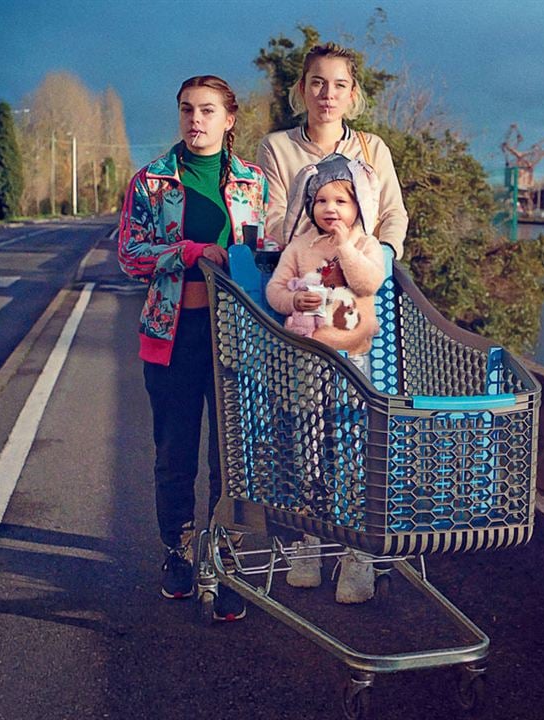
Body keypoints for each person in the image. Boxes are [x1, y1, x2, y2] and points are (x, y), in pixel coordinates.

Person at [117, 75, 268, 622]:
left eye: (208, 110)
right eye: (187, 110)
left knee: (230, 461)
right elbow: (130, 255)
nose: (195, 120)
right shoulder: (152, 181)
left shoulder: (254, 183)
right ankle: (177, 555)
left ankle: (225, 559)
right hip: (173, 336)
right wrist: (187, 250)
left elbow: (268, 251)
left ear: (230, 119)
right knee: (174, 455)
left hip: (238, 341)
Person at [265, 154, 385, 603]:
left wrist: (345, 247)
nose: (330, 208)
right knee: (308, 451)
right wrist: (290, 303)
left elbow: (368, 283)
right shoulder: (298, 249)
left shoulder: (366, 246)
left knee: (352, 455)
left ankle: (357, 556)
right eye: (320, 200)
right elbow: (277, 289)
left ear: (359, 206)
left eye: (341, 199)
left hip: (353, 366)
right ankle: (307, 543)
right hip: (306, 366)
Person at [257, 42, 408, 260]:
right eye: (318, 83)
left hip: (364, 272)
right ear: (303, 87)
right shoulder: (276, 147)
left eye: (340, 85)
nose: (328, 94)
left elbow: (393, 212)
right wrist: (323, 249)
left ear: (352, 93)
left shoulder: (373, 148)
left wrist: (385, 252)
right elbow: (273, 217)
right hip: (300, 275)